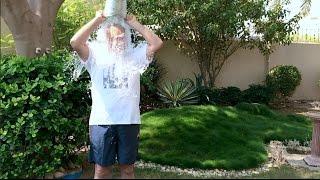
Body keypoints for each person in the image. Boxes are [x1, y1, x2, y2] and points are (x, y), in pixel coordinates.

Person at [70, 10, 163, 179]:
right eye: (113, 38)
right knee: (101, 170)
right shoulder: (95, 56)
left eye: (121, 37)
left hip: (129, 120)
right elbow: (75, 42)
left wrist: (134, 23)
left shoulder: (135, 56)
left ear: (127, 38)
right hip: (101, 122)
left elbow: (156, 43)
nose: (117, 41)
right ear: (106, 39)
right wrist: (98, 19)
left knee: (127, 169)